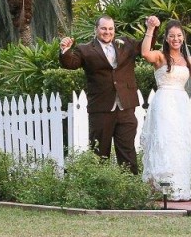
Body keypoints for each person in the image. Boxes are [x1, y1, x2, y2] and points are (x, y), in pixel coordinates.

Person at [58, 15, 143, 173]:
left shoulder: (126, 44)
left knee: (128, 152)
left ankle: (131, 191)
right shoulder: (85, 49)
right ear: (96, 29)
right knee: (99, 153)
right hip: (101, 109)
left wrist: (152, 28)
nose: (107, 32)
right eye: (103, 28)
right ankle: (100, 191)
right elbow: (71, 63)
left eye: (110, 29)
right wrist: (65, 50)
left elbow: (145, 47)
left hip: (126, 107)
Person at [139, 17, 191, 200]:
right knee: (164, 142)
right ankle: (158, 187)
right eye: (172, 36)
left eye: (179, 35)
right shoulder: (160, 57)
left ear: (183, 37)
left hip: (181, 105)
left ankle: (178, 188)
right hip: (163, 102)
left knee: (179, 144)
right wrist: (150, 29)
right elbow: (145, 53)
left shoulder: (187, 59)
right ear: (167, 38)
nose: (175, 39)